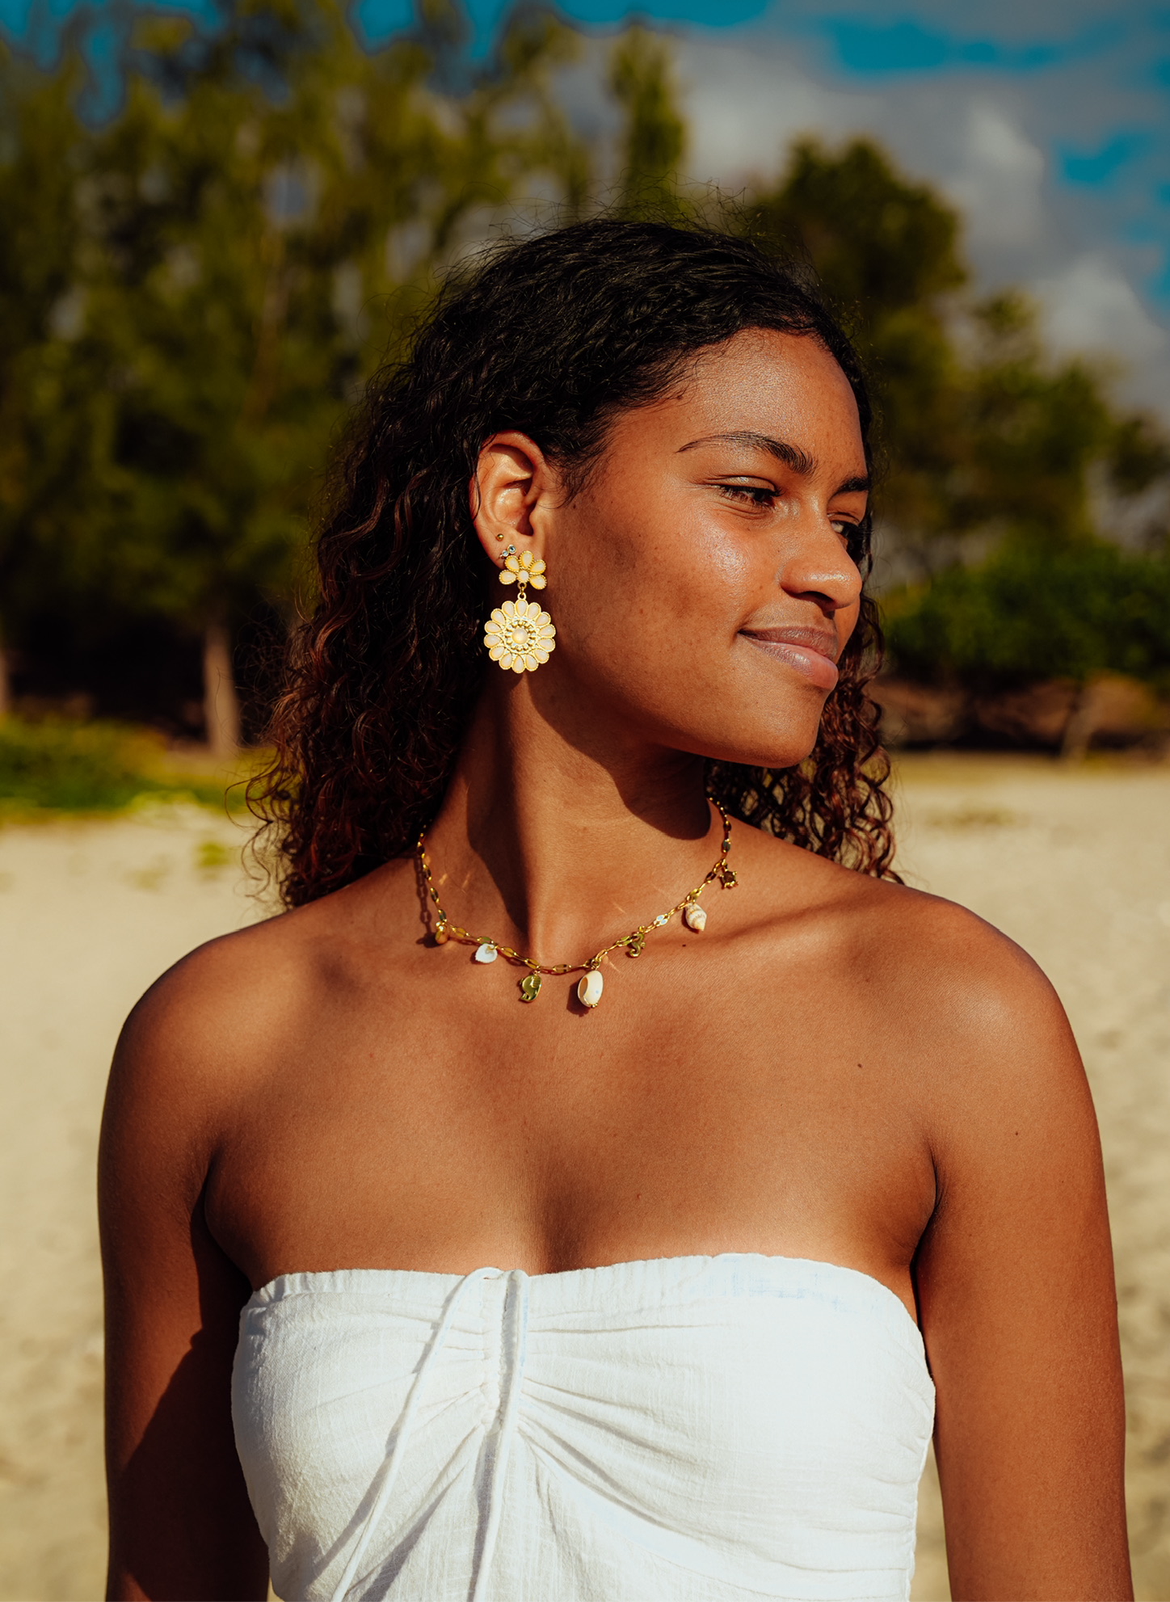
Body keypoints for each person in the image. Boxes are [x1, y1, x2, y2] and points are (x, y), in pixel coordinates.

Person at [99, 220, 1132, 1602]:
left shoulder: (950, 1014)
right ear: (520, 505)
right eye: (755, 491)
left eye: (848, 520)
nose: (833, 570)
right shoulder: (224, 1039)